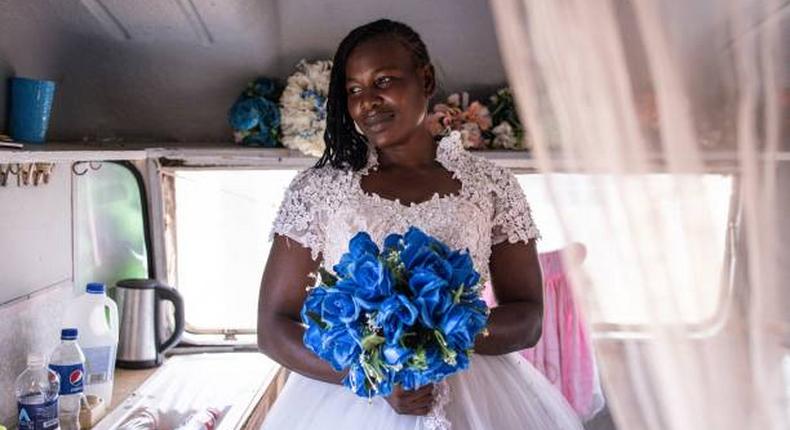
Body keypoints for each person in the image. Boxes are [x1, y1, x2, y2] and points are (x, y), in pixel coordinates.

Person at [257, 19, 583, 429]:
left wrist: (439, 335)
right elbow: (272, 328)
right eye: (353, 90)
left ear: (425, 79)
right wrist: (374, 373)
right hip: (350, 403)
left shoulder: (492, 187)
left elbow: (529, 317)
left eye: (384, 80)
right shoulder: (318, 191)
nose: (367, 102)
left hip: (480, 399)